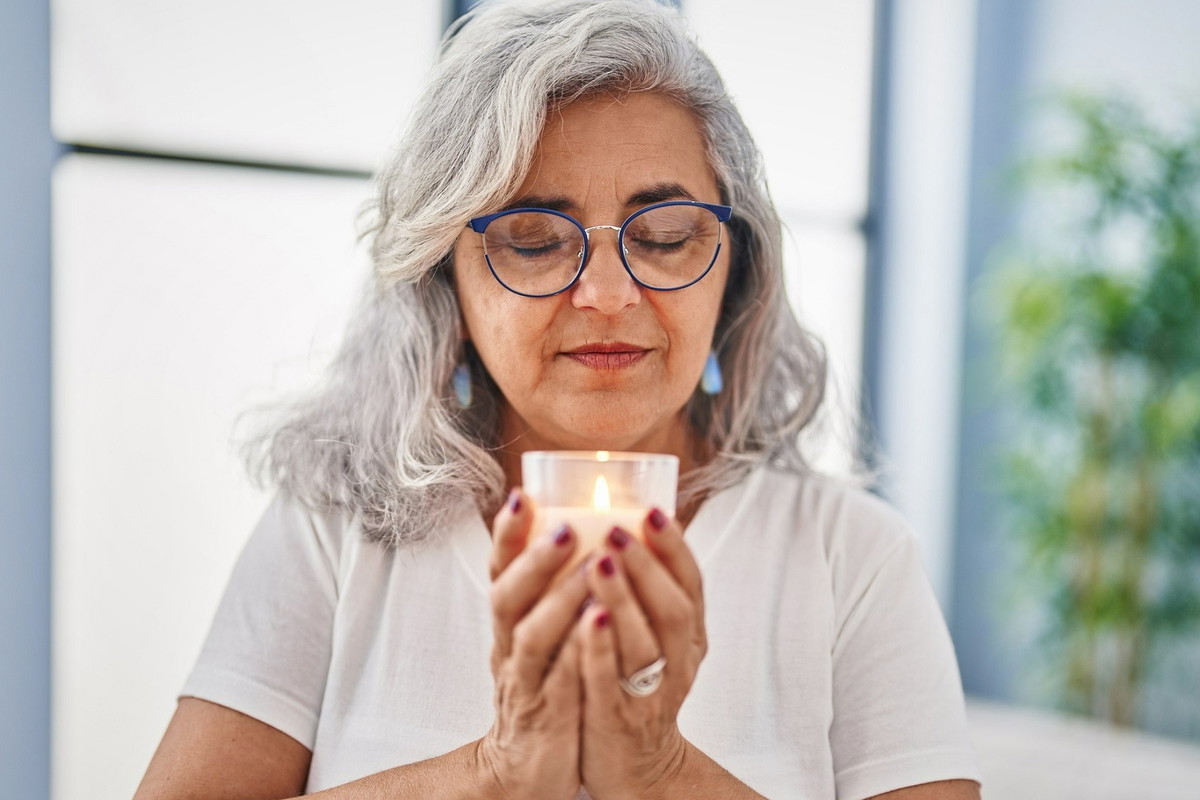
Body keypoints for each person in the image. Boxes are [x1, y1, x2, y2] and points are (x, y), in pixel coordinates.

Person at [134, 1, 983, 798]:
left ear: (737, 271)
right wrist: (498, 770)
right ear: (445, 284)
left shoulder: (851, 558)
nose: (609, 295)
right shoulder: (333, 525)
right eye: (536, 241)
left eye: (665, 236)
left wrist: (660, 772)